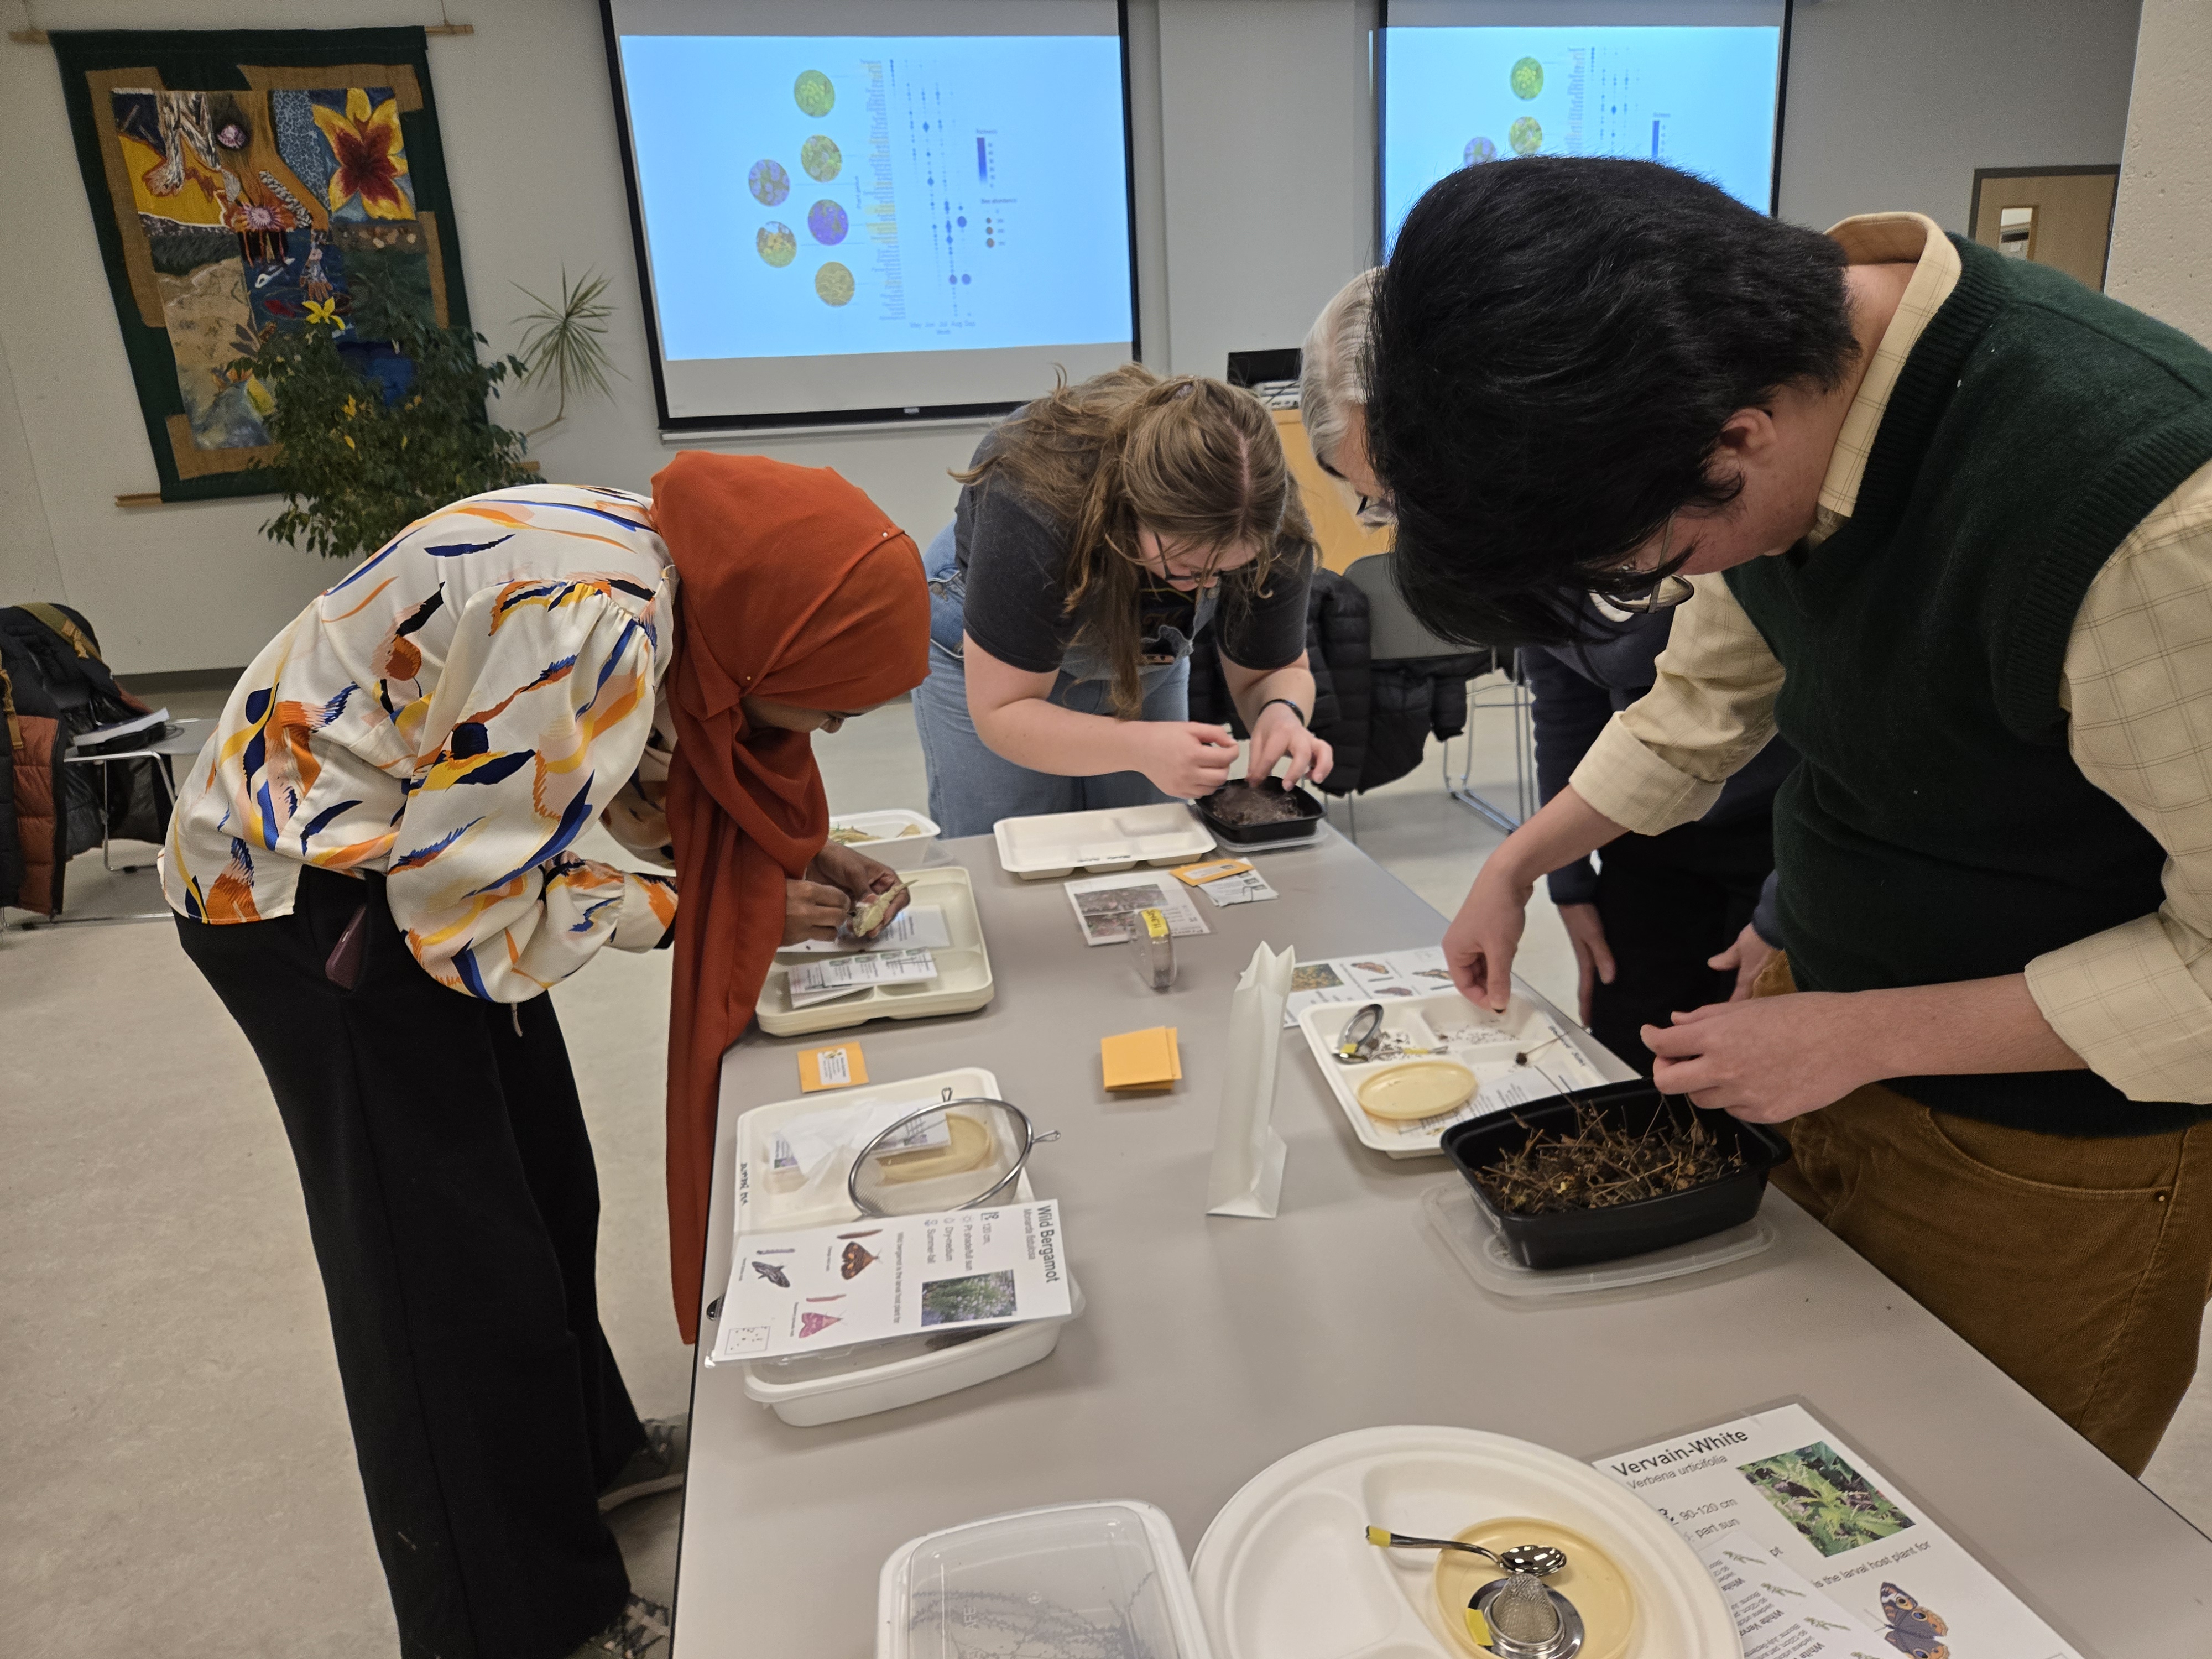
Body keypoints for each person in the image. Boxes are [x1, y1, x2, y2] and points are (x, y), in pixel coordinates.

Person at [1366, 155, 2212, 1474]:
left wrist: (1861, 1033)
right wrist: (1522, 861)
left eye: (1641, 565)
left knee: (1982, 1502)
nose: (1667, 583)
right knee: (1799, 1455)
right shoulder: (1752, 396)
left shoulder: (2146, 519)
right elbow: (1703, 702)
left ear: (1739, 438)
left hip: (2051, 1150)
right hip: (1826, 1036)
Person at [163, 458, 928, 1659]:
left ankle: (589, 1454)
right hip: (306, 895)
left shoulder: (677, 567)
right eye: (827, 707)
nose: (825, 732)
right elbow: (462, 901)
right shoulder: (591, 625)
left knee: (543, 1188)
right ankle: (524, 1625)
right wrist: (698, 912)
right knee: (444, 1278)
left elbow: (584, 781)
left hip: (396, 853)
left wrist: (779, 861)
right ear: (775, 648)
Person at [1301, 271, 1793, 1070]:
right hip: (1646, 822)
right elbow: (1584, 702)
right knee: (1634, 1053)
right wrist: (1553, 871)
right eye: (1380, 504)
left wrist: (1788, 906)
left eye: (1415, 498)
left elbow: (1724, 717)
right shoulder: (1525, 545)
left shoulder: (1706, 512)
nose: (1418, 531)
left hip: (1792, 829)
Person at [912, 366, 1333, 837]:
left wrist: (1281, 712)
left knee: (1150, 838)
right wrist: (1140, 747)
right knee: (1017, 840)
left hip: (1142, 656)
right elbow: (1004, 711)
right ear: (1132, 508)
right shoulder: (1033, 499)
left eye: (1227, 571)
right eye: (1189, 567)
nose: (1206, 587)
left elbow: (1274, 672)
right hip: (992, 656)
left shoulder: (1261, 517)